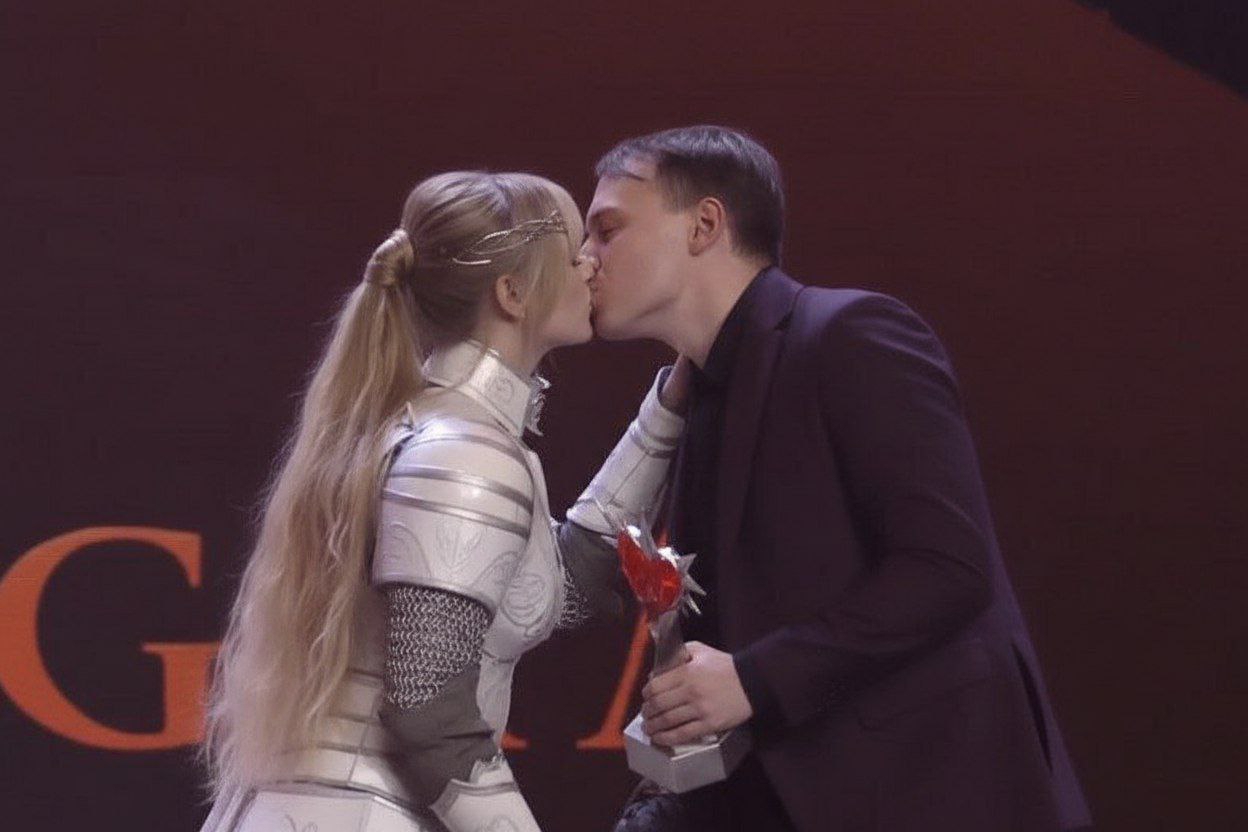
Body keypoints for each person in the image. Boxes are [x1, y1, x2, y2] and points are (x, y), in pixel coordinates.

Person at [584, 126, 1094, 832]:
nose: (585, 258)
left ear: (704, 225)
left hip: (919, 794)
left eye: (607, 230)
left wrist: (753, 679)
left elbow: (948, 567)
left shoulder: (849, 332)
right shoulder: (694, 391)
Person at [197, 170, 691, 831]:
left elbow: (558, 587)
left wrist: (668, 409)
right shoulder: (465, 454)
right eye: (572, 253)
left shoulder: (433, 431)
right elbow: (428, 709)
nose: (590, 267)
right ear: (512, 293)